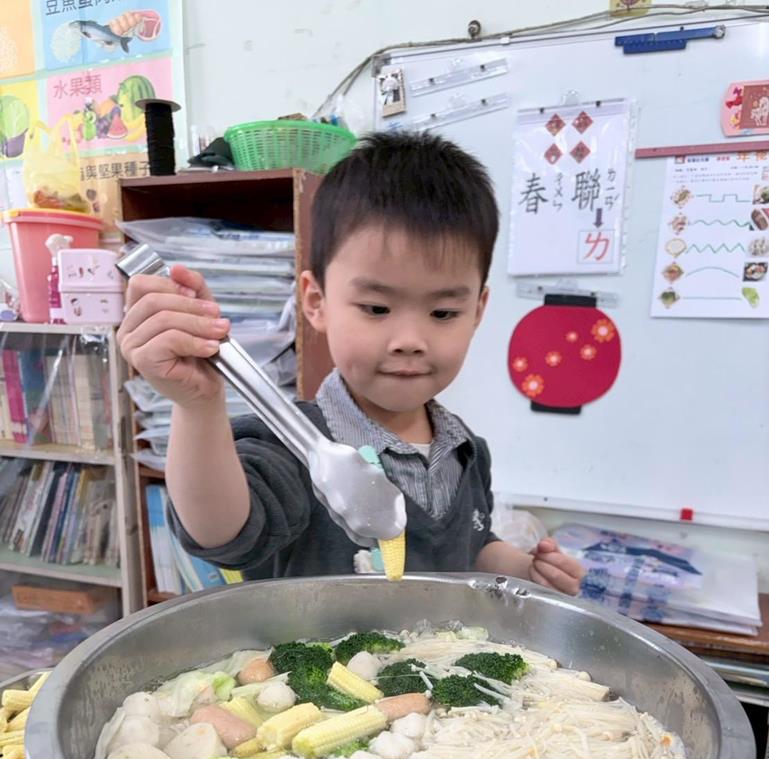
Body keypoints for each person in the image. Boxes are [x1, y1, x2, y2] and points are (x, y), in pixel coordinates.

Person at [118, 131, 584, 594]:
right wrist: (198, 406)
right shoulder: (292, 445)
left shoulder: (467, 451)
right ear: (316, 302)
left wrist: (524, 571)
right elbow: (221, 532)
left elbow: (471, 547)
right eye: (376, 308)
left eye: (443, 313)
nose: (409, 341)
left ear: (477, 311)